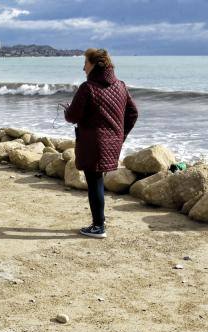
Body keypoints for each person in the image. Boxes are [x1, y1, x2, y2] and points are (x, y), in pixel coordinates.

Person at [64, 48, 138, 239]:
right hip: (112, 142)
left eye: (85, 63)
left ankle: (98, 226)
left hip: (93, 143)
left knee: (94, 181)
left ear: (94, 65)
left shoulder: (87, 88)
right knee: (97, 180)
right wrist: (120, 135)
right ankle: (100, 221)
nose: (83, 68)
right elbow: (132, 113)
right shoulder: (120, 85)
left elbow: (72, 116)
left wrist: (67, 111)